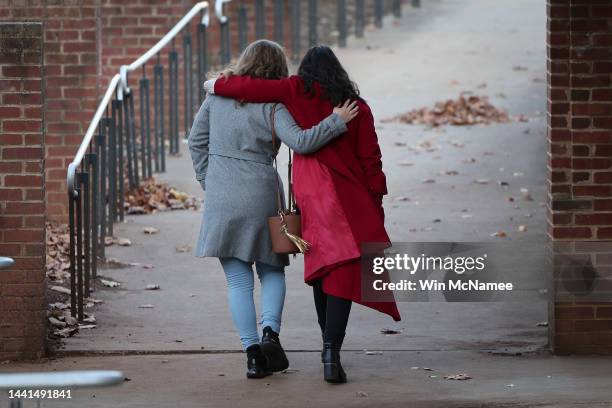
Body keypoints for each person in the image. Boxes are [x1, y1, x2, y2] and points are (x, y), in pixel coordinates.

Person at [204, 45, 401, 384]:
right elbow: (365, 158)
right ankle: (318, 347)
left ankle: (279, 352)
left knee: (317, 266)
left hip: (299, 194)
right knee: (327, 268)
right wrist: (376, 201)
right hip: (333, 195)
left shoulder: (294, 91)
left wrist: (214, 86)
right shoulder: (355, 108)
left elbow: (242, 93)